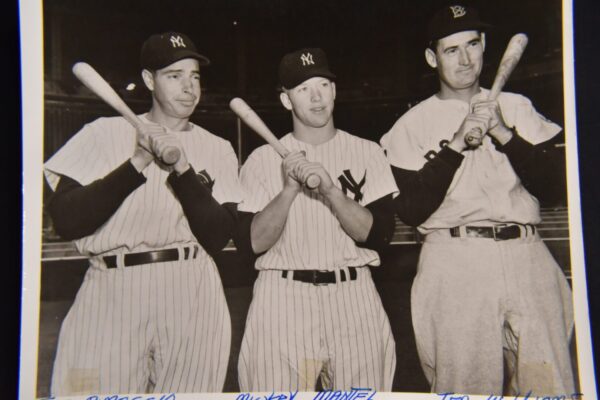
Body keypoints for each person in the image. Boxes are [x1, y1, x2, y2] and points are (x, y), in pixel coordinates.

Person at [380, 5, 575, 396]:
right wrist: (454, 146)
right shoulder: (411, 124)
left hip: (527, 255)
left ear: (485, 46)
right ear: (432, 58)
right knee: (465, 387)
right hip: (455, 262)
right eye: (451, 50)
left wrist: (504, 133)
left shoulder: (517, 107)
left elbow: (556, 188)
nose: (465, 59)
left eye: (472, 44)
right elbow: (413, 209)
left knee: (548, 384)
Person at [44, 32, 242, 395]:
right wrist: (137, 162)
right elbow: (67, 220)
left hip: (193, 287)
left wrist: (183, 171)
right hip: (112, 289)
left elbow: (217, 236)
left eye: (195, 76)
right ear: (150, 80)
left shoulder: (218, 148)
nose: (189, 87)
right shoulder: (102, 133)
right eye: (174, 75)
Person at [235, 48, 398, 392]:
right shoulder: (261, 159)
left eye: (323, 84)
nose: (317, 96)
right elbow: (251, 244)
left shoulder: (368, 152)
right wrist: (288, 190)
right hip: (282, 297)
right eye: (303, 89)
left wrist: (332, 192)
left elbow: (379, 235)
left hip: (353, 296)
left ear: (334, 90)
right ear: (286, 100)